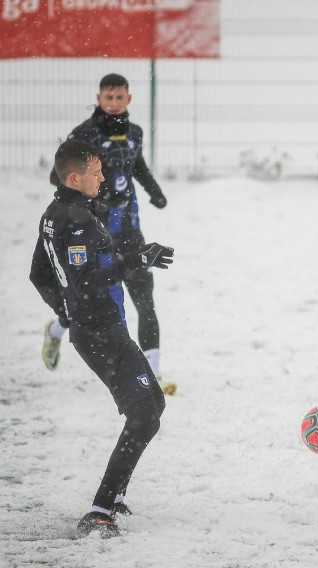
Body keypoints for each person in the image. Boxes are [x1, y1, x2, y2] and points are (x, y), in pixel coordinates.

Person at [30, 140, 175, 537]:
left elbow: (38, 274)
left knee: (153, 404)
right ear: (75, 178)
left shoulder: (55, 213)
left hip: (96, 327)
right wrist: (136, 261)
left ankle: (114, 498)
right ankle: (100, 509)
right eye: (96, 172)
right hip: (100, 333)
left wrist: (64, 314)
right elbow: (86, 281)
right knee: (145, 415)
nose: (103, 177)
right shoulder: (75, 219)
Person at [42, 73, 175, 395]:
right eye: (108, 98)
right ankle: (57, 329)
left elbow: (137, 166)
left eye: (119, 98)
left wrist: (154, 191)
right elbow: (56, 178)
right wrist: (99, 200)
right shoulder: (85, 134)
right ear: (99, 98)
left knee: (145, 299)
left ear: (129, 98)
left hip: (130, 230)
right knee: (93, 307)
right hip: (95, 236)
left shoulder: (135, 133)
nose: (114, 104)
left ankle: (152, 376)